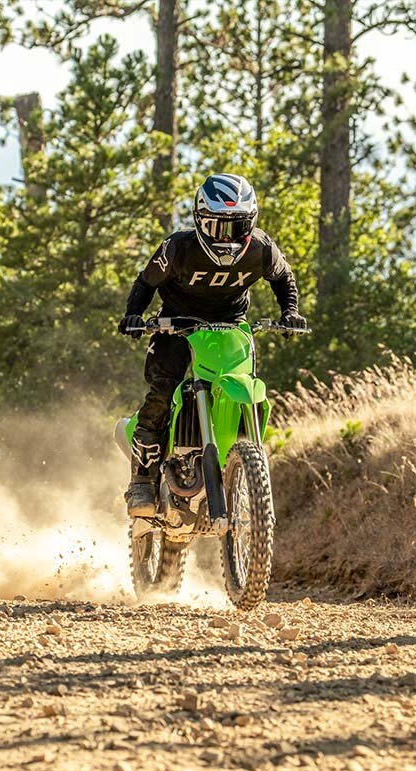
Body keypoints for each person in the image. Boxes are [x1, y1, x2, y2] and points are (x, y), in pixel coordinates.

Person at [117, 173, 307, 517]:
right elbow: (146, 282)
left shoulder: (262, 248)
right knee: (162, 390)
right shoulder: (177, 248)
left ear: (251, 223)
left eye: (237, 227)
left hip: (230, 326)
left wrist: (290, 312)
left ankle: (238, 460)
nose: (227, 237)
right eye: (218, 227)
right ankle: (142, 481)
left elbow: (283, 278)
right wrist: (133, 315)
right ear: (199, 220)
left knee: (241, 383)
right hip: (175, 324)